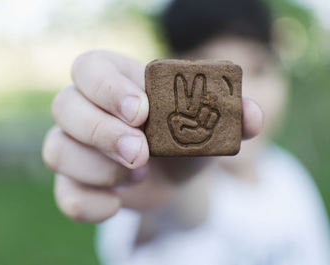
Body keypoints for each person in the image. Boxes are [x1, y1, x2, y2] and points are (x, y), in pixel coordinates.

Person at [42, 0, 330, 264]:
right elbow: (183, 209)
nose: (242, 97)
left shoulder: (290, 177)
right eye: (206, 77)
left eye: (258, 69)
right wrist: (171, 175)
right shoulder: (167, 185)